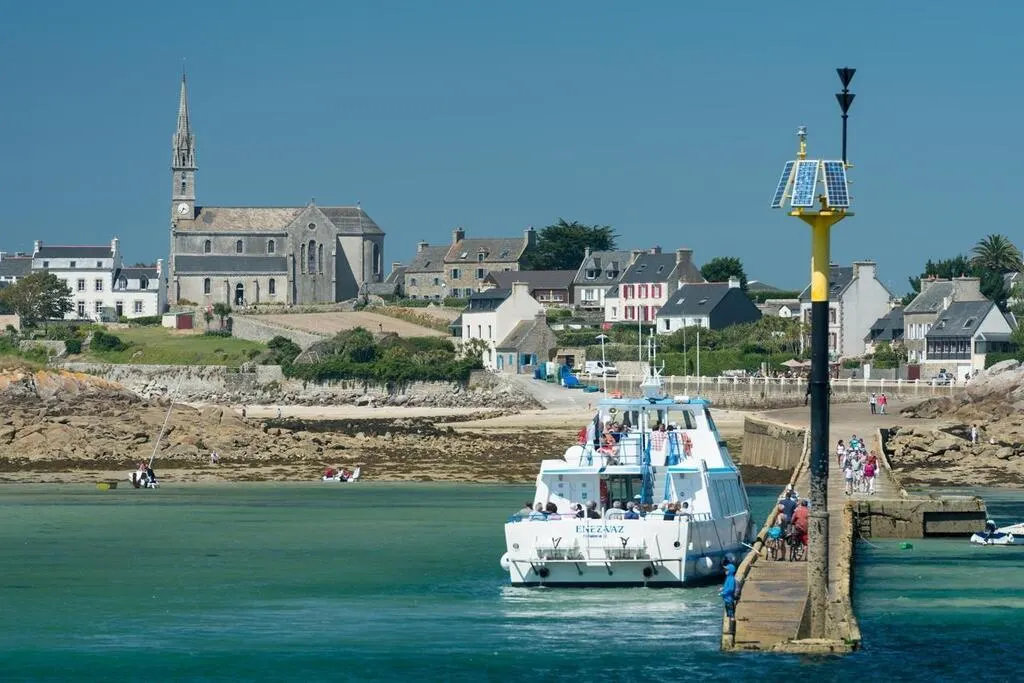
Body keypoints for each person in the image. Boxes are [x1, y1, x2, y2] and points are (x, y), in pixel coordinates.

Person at [720, 563, 740, 634]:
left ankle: (732, 630)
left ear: (731, 571)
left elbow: (730, 589)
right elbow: (727, 587)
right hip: (727, 599)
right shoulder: (728, 578)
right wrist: (722, 589)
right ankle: (730, 629)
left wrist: (723, 593)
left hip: (729, 599)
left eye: (727, 570)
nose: (725, 571)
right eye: (725, 570)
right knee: (729, 614)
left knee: (731, 615)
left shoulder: (731, 578)